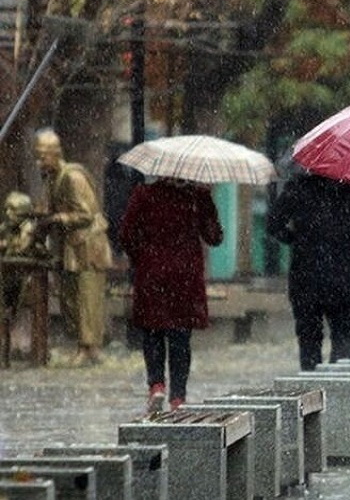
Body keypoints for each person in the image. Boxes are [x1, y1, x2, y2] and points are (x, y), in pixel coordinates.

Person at [120, 177, 223, 412]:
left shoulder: (144, 193)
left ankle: (156, 385)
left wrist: (143, 258)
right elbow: (214, 237)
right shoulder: (197, 196)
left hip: (152, 273)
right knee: (180, 337)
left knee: (152, 331)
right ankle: (178, 397)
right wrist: (207, 208)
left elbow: (126, 234)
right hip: (185, 276)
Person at [267, 173, 350, 371]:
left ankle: (311, 385)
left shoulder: (298, 188)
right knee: (344, 337)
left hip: (306, 274)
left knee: (309, 339)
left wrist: (297, 238)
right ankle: (337, 383)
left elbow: (273, 224)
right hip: (342, 274)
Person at [33, 129, 114, 365]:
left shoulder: (72, 177)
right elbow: (49, 207)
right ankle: (84, 344)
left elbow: (86, 214)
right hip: (73, 246)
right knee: (72, 298)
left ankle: (89, 348)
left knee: (87, 297)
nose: (39, 162)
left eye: (42, 156)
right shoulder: (53, 178)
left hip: (88, 245)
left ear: (54, 154)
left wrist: (59, 219)